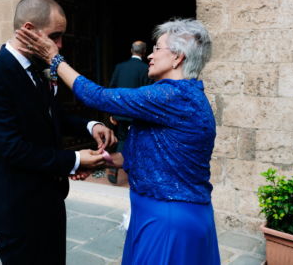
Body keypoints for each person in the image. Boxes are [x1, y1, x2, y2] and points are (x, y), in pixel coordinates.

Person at [16, 18, 221, 264]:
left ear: (178, 57)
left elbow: (97, 96)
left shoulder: (172, 94)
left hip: (168, 220)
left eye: (157, 48)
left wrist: (54, 58)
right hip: (163, 213)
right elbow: (162, 157)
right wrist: (103, 162)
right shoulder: (188, 95)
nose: (150, 56)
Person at [0, 0, 116, 264]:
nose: (60, 46)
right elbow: (11, 147)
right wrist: (74, 160)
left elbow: (52, 113)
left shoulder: (39, 70)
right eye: (55, 36)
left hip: (50, 200)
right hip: (18, 209)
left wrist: (90, 125)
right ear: (29, 29)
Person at [107, 40, 151, 184]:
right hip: (137, 114)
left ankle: (114, 167)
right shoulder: (146, 68)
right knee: (139, 140)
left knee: (122, 138)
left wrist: (113, 112)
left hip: (121, 112)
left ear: (131, 51)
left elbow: (112, 88)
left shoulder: (120, 67)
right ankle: (135, 172)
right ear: (144, 52)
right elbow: (148, 94)